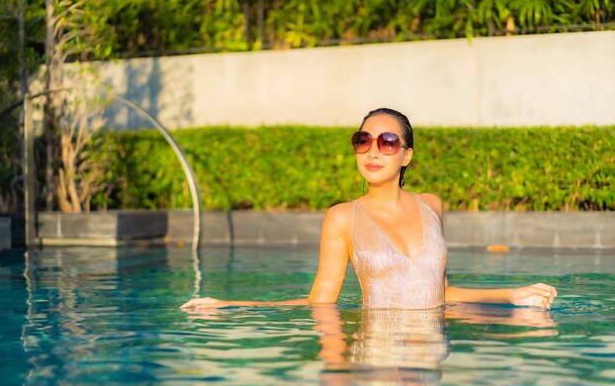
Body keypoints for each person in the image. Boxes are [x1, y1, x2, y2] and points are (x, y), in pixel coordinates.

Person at [181, 107, 557, 311]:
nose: (373, 151)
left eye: (388, 142)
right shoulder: (343, 217)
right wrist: (230, 305)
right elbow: (319, 306)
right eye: (363, 141)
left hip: (431, 361)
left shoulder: (431, 206)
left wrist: (512, 295)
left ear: (407, 155)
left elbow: (440, 293)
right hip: (376, 359)